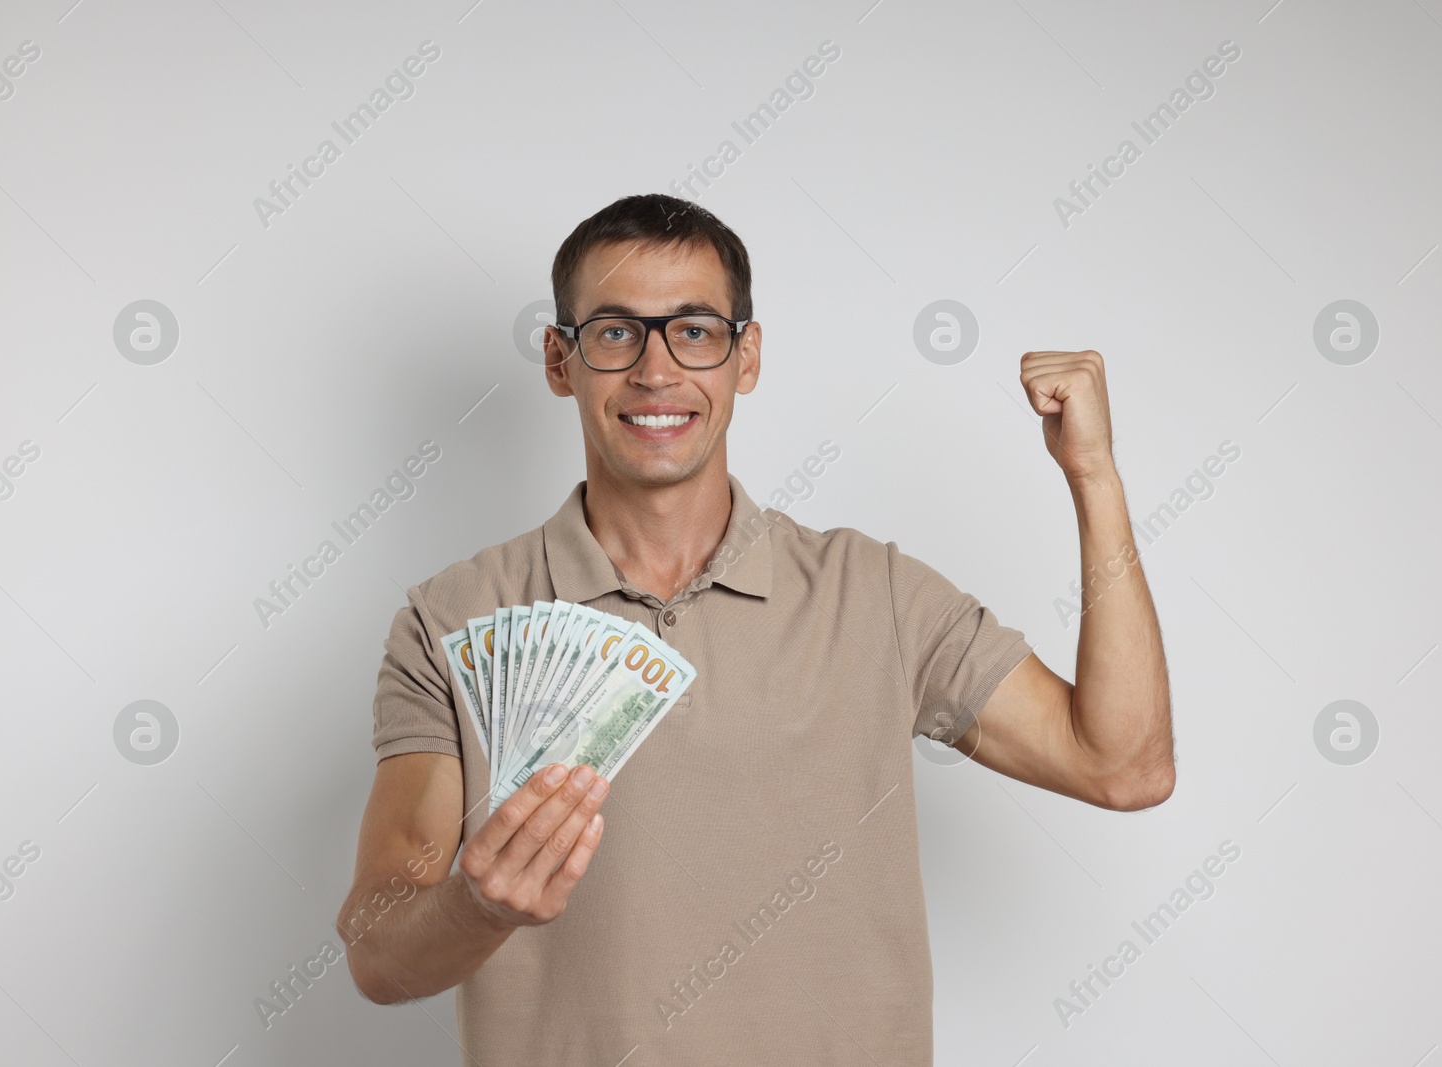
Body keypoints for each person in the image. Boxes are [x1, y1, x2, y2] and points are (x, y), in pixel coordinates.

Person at [337, 193, 1173, 1064]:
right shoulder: (454, 619)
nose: (657, 372)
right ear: (559, 358)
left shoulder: (877, 594)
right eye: (616, 332)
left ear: (748, 356)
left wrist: (1094, 475)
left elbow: (1122, 765)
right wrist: (480, 904)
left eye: (695, 330)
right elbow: (376, 951)